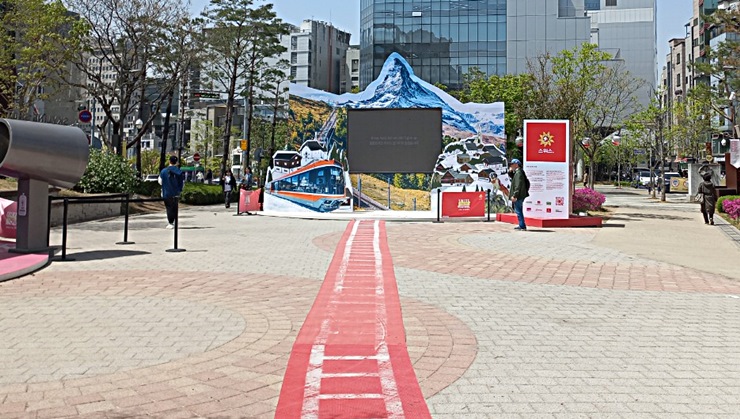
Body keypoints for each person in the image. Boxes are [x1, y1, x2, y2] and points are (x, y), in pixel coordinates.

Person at [158, 155, 184, 229]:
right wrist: (179, 190)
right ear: (176, 162)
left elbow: (160, 181)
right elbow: (182, 182)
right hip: (176, 193)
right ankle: (175, 221)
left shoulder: (163, 171)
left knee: (169, 207)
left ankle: (170, 222)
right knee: (175, 207)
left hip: (166, 192)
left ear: (169, 161)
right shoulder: (179, 171)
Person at [508, 158, 530, 231]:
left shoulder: (518, 173)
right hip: (520, 195)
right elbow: (513, 178)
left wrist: (515, 195)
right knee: (519, 210)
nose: (511, 165)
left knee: (518, 210)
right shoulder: (519, 172)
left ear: (516, 165)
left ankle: (522, 225)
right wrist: (510, 172)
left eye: (512, 164)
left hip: (519, 195)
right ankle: (522, 225)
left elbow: (518, 185)